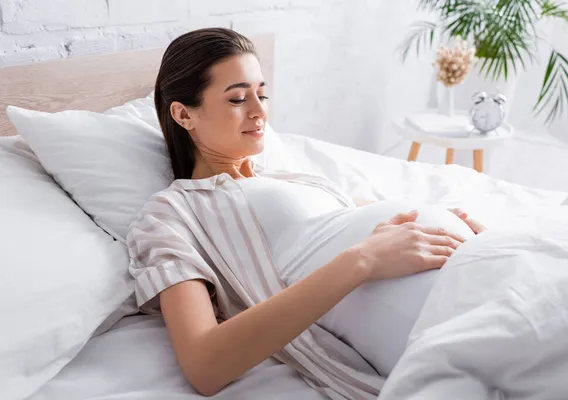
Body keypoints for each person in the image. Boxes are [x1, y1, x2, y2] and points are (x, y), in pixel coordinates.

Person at [126, 28, 486, 399]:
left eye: (261, 94)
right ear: (184, 114)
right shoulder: (171, 214)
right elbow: (204, 364)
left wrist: (462, 227)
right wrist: (362, 259)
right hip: (433, 316)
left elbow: (360, 221)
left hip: (471, 265)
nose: (259, 111)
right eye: (237, 99)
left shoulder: (291, 176)